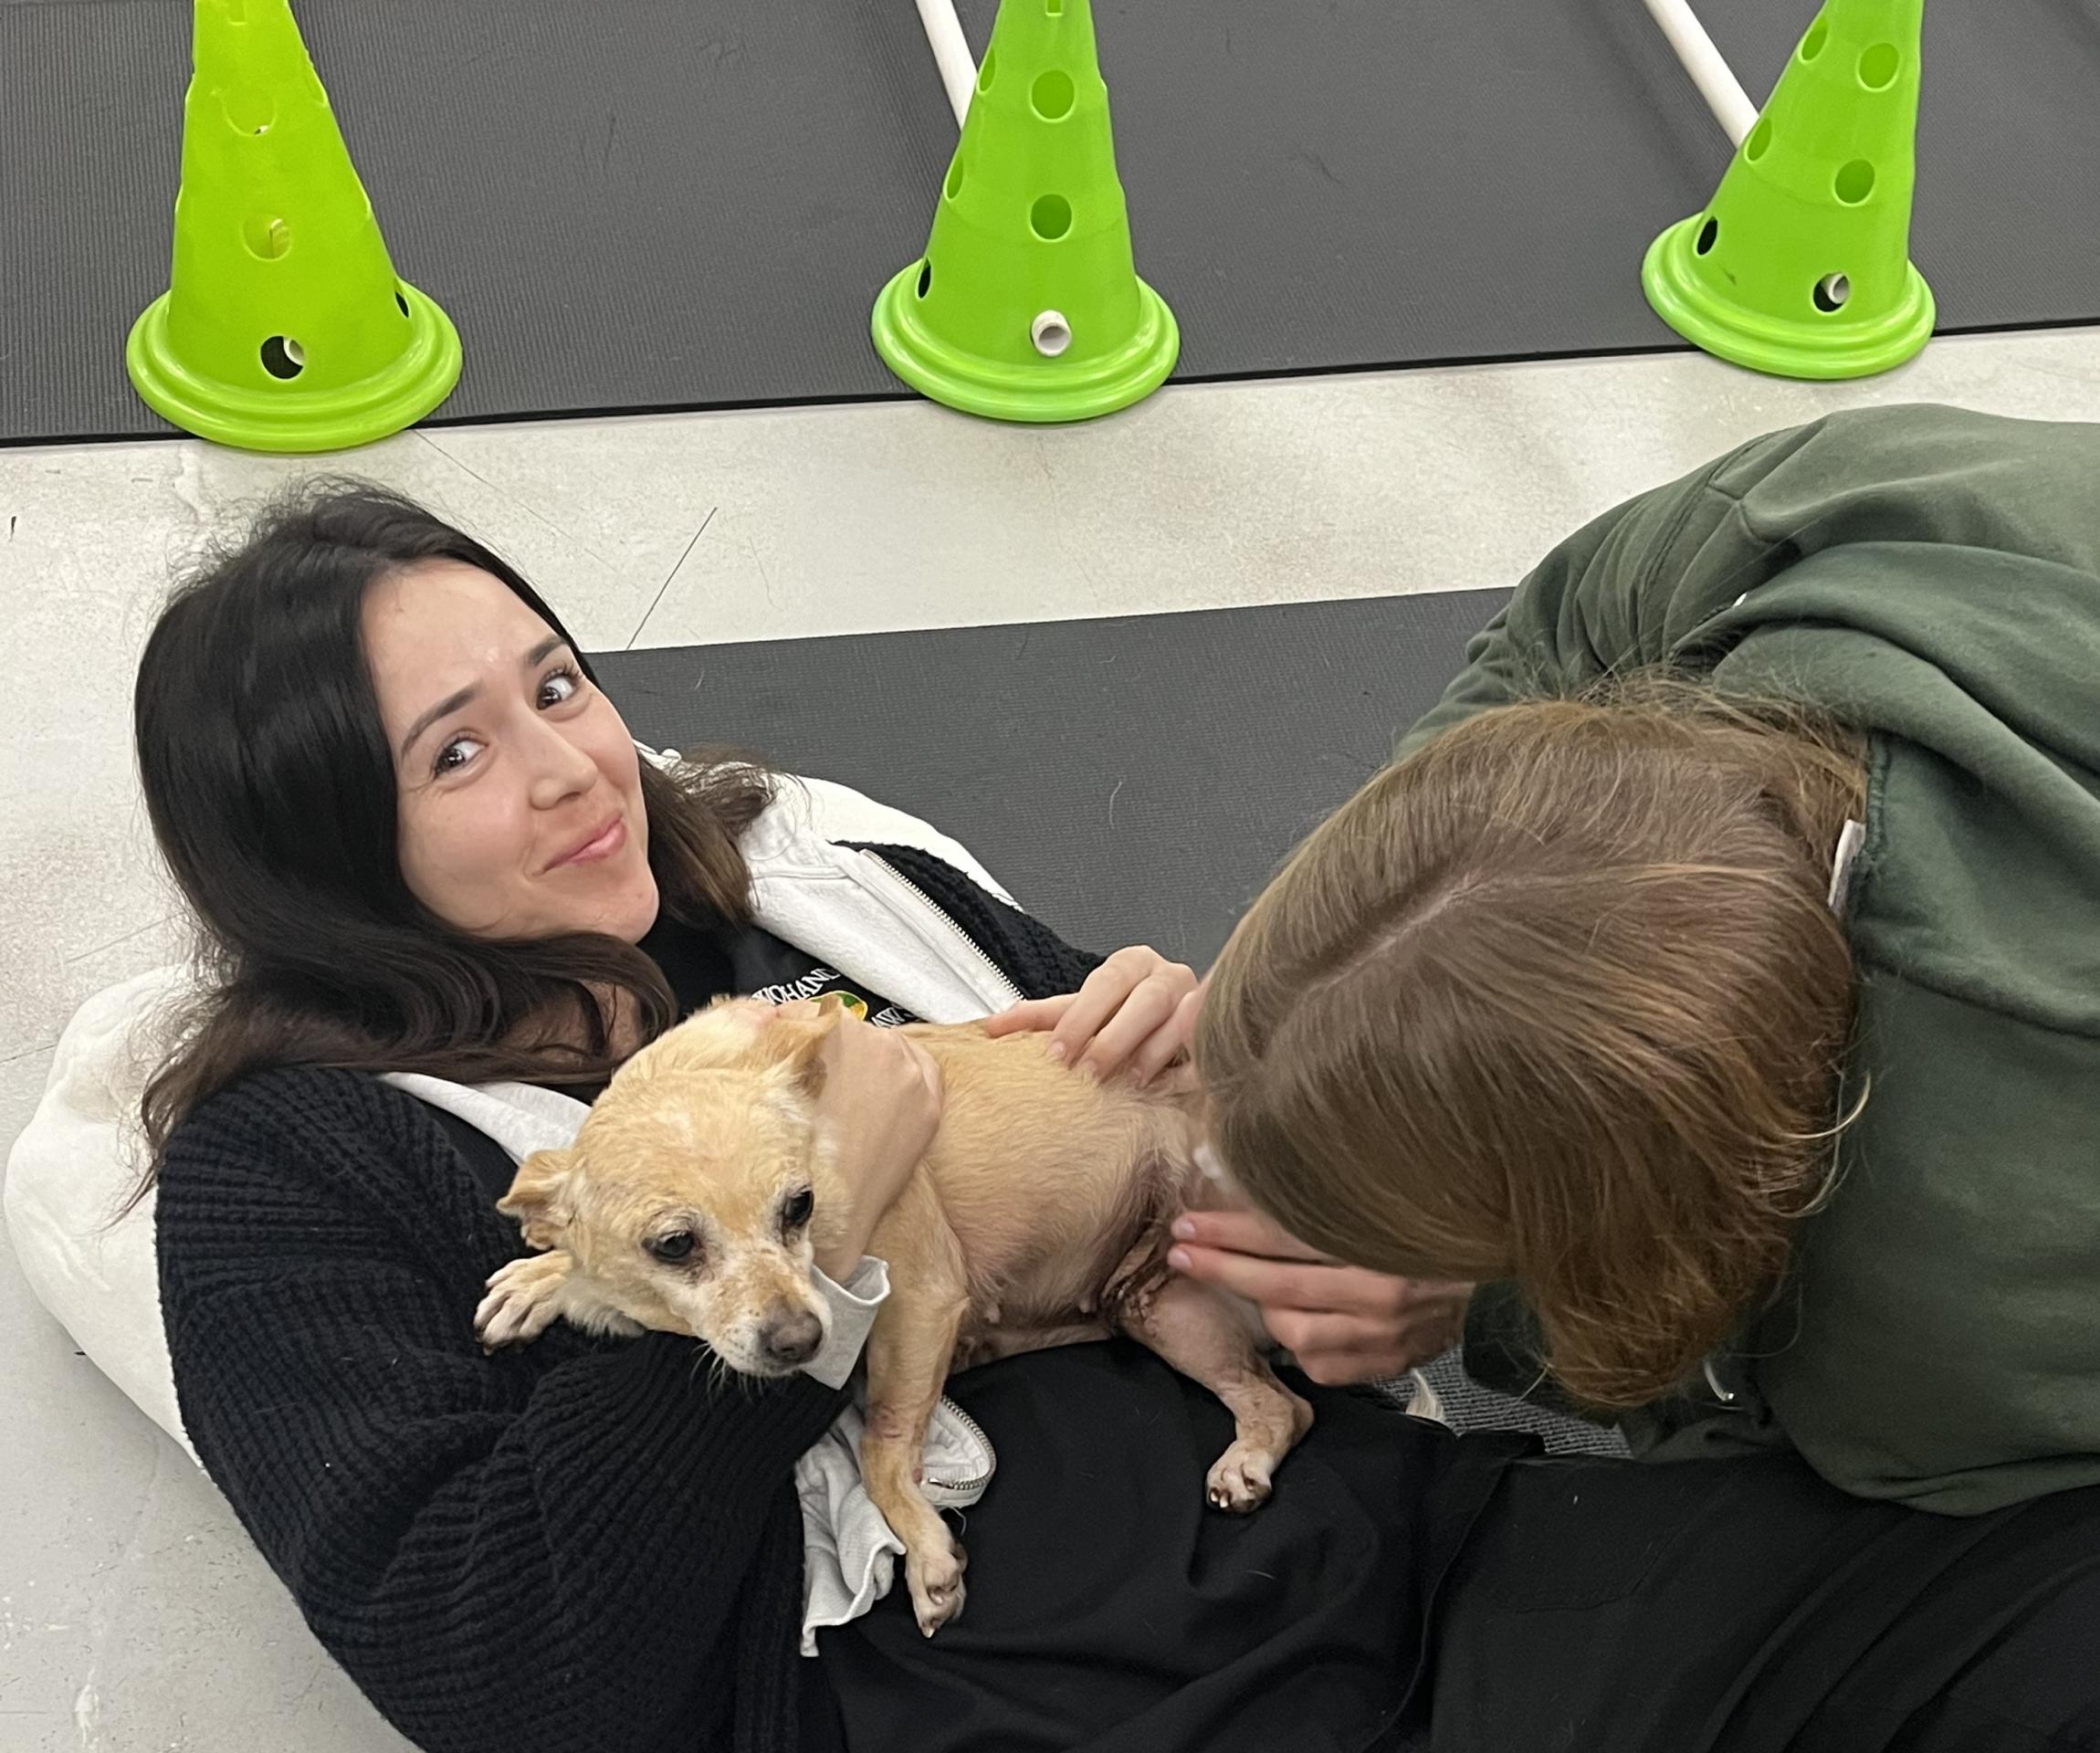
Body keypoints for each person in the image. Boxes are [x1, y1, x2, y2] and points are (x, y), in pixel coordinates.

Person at [127, 483, 1507, 1753]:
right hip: (999, 1688)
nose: (569, 769)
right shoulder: (284, 1171)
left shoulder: (820, 873)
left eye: (558, 684)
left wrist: (1314, 1168)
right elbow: (503, 1671)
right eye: (459, 752)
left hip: (1386, 1528)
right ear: (328, 855)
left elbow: (1185, 1146)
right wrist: (823, 1217)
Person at [1195, 404, 2100, 1748]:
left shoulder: (1931, 1340)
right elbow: (1553, 637)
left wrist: (1472, 1312)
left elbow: (1728, 1432)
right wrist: (1307, 1015)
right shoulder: (1868, 512)